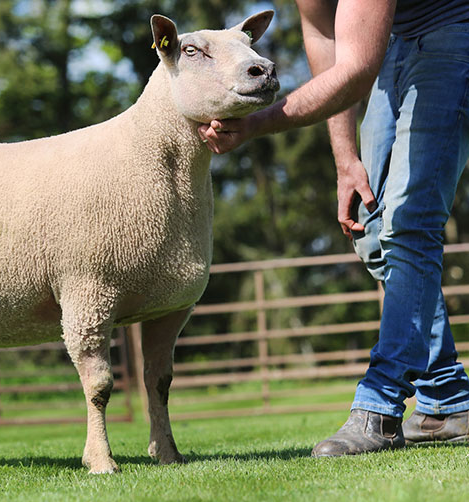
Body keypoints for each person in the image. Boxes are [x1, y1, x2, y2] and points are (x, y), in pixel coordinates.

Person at [200, 0, 469, 456]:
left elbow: (357, 70)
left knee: (409, 221)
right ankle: (447, 401)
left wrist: (257, 122)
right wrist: (346, 160)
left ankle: (379, 407)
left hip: (454, 31)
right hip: (394, 45)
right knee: (370, 228)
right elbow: (326, 39)